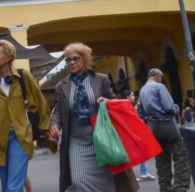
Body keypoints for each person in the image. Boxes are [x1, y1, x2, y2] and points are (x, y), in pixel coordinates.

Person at [49, 42, 139, 192]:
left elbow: (114, 101)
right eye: (68, 59)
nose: (71, 62)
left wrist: (108, 102)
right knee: (78, 181)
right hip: (75, 140)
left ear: (84, 59)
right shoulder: (62, 85)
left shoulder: (100, 79)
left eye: (75, 58)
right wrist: (55, 124)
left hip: (101, 139)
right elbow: (58, 110)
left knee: (107, 183)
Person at [0, 40, 50, 192]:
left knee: (13, 187)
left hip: (20, 137)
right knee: (8, 184)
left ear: (7, 57)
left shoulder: (23, 76)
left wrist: (47, 130)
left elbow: (40, 103)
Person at [139, 69, 190, 192]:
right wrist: (176, 108)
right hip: (167, 126)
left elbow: (140, 112)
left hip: (153, 127)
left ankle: (165, 187)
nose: (161, 80)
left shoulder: (142, 90)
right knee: (181, 155)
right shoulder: (159, 87)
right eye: (161, 77)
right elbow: (169, 107)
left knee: (162, 159)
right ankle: (180, 187)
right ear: (157, 76)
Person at [121, 90, 156, 181]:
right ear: (127, 97)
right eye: (132, 95)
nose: (134, 97)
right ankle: (132, 176)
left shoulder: (129, 106)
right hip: (129, 134)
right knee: (129, 154)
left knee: (141, 151)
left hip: (133, 133)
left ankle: (144, 172)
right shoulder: (125, 106)